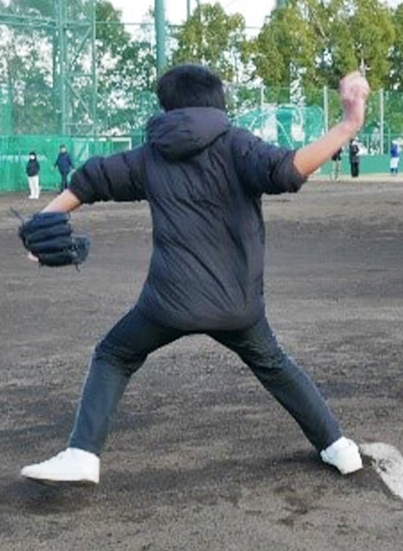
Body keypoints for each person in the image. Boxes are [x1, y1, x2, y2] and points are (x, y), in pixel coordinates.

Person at [19, 64, 371, 485]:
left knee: (115, 355)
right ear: (217, 101)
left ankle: (82, 453)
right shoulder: (237, 144)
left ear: (167, 106)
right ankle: (337, 446)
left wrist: (41, 223)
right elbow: (289, 171)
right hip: (238, 304)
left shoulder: (152, 155)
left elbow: (92, 180)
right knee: (274, 364)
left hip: (168, 304)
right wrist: (348, 124)